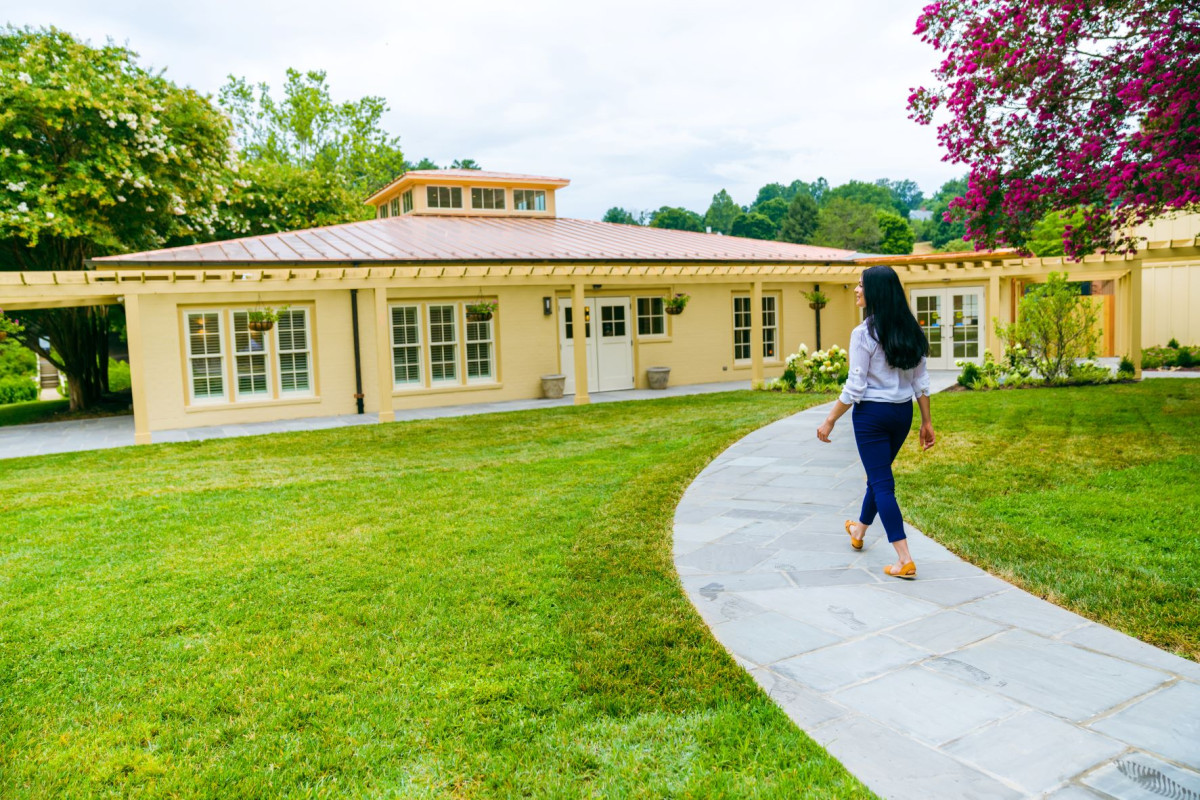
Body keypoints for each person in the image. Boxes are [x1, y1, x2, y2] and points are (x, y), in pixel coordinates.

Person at [816, 265, 935, 579]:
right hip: (902, 415)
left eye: (860, 285)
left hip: (871, 417)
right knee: (878, 476)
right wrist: (926, 422)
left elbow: (855, 387)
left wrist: (829, 420)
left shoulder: (863, 333)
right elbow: (921, 382)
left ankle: (904, 558)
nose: (856, 290)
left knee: (882, 483)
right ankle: (858, 531)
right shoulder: (912, 330)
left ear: (876, 293)